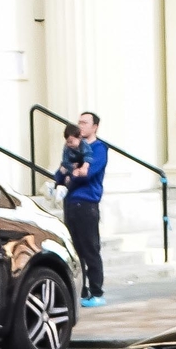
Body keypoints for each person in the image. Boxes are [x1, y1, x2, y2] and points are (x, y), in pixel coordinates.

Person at [62, 110, 107, 307]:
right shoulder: (71, 147)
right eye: (79, 122)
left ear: (95, 127)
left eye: (85, 123)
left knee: (90, 248)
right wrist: (68, 174)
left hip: (87, 203)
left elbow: (87, 175)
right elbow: (60, 172)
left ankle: (96, 291)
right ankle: (81, 290)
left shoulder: (98, 148)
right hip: (70, 202)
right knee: (75, 250)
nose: (80, 126)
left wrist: (72, 173)